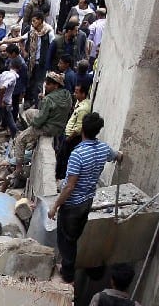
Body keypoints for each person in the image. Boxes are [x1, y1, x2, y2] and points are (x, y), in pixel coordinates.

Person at [48, 111, 122, 280]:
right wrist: (120, 156)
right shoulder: (103, 148)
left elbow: (69, 187)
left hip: (73, 204)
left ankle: (67, 273)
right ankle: (68, 265)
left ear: (82, 129)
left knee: (66, 239)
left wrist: (55, 206)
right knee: (73, 236)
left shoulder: (78, 154)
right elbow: (116, 155)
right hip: (87, 201)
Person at [6, 70, 72, 181]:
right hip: (59, 127)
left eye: (49, 84)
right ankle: (32, 139)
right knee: (29, 112)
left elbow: (39, 121)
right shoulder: (67, 95)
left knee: (20, 139)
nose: (46, 85)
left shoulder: (49, 99)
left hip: (47, 128)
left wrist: (32, 124)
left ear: (56, 85)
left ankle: (18, 168)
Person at [55, 81, 90, 178]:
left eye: (77, 92)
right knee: (61, 155)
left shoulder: (83, 109)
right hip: (68, 134)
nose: (75, 94)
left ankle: (60, 177)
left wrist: (69, 138)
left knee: (65, 157)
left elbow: (79, 128)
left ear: (83, 94)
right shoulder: (80, 103)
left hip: (72, 137)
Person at [25, 12, 52, 105]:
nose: (32, 23)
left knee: (39, 84)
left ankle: (37, 104)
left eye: (34, 21)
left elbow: (52, 46)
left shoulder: (48, 32)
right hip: (32, 62)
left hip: (42, 63)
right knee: (29, 82)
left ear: (40, 20)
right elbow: (22, 39)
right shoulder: (32, 32)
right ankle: (28, 101)